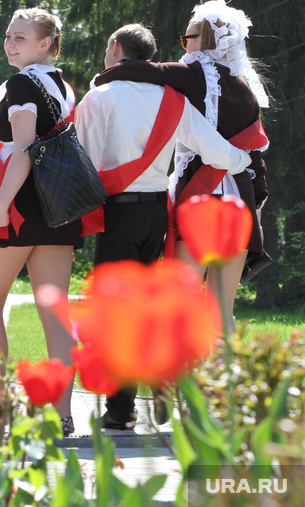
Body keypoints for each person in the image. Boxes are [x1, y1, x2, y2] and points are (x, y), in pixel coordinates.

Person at [75, 23, 253, 429]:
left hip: (117, 210)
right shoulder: (172, 99)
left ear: (116, 48)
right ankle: (162, 385)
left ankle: (121, 411)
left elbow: (83, 162)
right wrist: (249, 163)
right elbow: (216, 150)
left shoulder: (99, 96)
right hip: (158, 212)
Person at [92, 1, 270, 333]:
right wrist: (256, 214)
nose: (183, 45)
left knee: (183, 306)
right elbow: (256, 160)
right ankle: (225, 386)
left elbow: (140, 68)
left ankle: (177, 387)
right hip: (240, 204)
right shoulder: (245, 89)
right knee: (221, 312)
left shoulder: (191, 74)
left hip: (201, 199)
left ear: (200, 39)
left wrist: (105, 75)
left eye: (185, 37)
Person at [0, 8, 80, 435]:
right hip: (61, 210)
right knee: (55, 315)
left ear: (45, 44)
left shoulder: (21, 83)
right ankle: (62, 414)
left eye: (20, 37)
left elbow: (24, 149)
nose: (10, 43)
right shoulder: (64, 86)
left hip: (19, 207)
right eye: (8, 35)